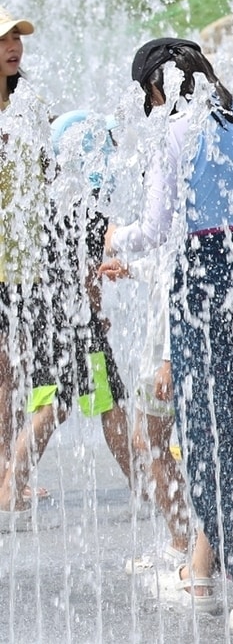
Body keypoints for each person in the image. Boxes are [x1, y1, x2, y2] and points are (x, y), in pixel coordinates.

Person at [100, 38, 233, 631]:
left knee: (207, 437)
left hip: (204, 282)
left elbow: (156, 229)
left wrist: (111, 238)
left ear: (157, 90)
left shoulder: (174, 135)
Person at [0, 113, 138, 516]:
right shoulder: (87, 206)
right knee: (105, 403)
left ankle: (11, 485)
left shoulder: (48, 203)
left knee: (59, 402)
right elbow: (89, 271)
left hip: (47, 315)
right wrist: (95, 315)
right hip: (75, 322)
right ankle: (143, 482)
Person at [0, 7, 50, 510]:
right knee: (4, 369)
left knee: (19, 368)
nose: (13, 46)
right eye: (4, 39)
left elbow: (53, 177)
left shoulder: (30, 105)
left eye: (17, 37)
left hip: (26, 261)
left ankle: (10, 472)